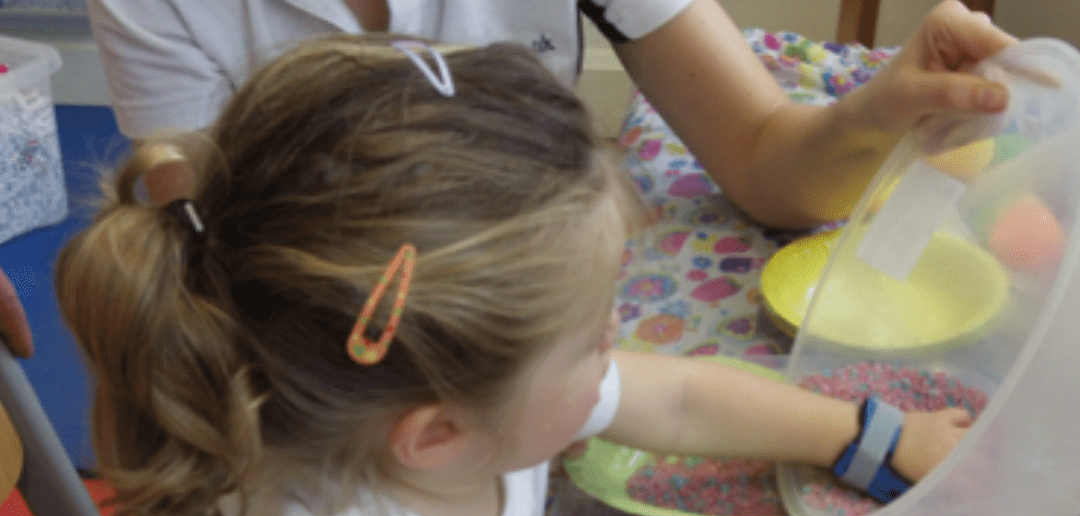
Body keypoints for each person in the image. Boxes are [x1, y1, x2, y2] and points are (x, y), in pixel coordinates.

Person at [53, 37, 972, 516]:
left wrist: (868, 437)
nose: (618, 334)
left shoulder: (470, 410)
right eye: (593, 334)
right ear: (438, 433)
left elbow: (681, 397)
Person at [86, 0, 1016, 225]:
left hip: (525, 338)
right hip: (318, 386)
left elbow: (766, 157)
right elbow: (201, 261)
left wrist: (875, 120)